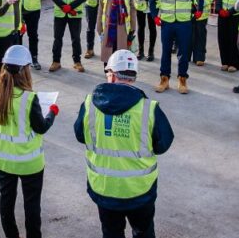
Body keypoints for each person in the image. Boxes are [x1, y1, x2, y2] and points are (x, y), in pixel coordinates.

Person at [74, 50, 174, 238]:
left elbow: (80, 135)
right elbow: (163, 145)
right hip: (139, 191)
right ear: (133, 77)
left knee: (111, 233)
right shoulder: (149, 108)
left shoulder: (89, 104)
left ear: (111, 75)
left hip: (105, 189)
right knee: (144, 232)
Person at [0, 45, 58, 238]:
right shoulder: (29, 98)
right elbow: (41, 127)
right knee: (31, 205)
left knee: (6, 202)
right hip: (29, 162)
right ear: (25, 70)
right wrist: (52, 113)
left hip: (3, 160)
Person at [149, 0, 203, 95]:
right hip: (167, 22)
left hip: (184, 22)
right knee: (166, 51)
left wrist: (200, 10)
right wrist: (155, 16)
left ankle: (182, 79)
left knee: (183, 52)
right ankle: (164, 79)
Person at [97, 0, 137, 69]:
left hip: (122, 27)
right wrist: (99, 27)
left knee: (121, 52)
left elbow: (132, 10)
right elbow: (100, 10)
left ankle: (119, 70)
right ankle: (108, 70)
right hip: (108, 27)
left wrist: (133, 28)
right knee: (108, 50)